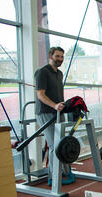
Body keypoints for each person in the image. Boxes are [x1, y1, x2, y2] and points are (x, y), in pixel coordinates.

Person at [35, 46, 75, 186]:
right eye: (57, 56)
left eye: (62, 57)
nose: (60, 59)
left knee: (62, 144)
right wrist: (54, 106)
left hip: (58, 112)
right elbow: (40, 94)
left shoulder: (59, 73)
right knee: (54, 145)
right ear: (50, 55)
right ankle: (53, 177)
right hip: (46, 112)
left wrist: (62, 106)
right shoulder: (42, 72)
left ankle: (65, 171)